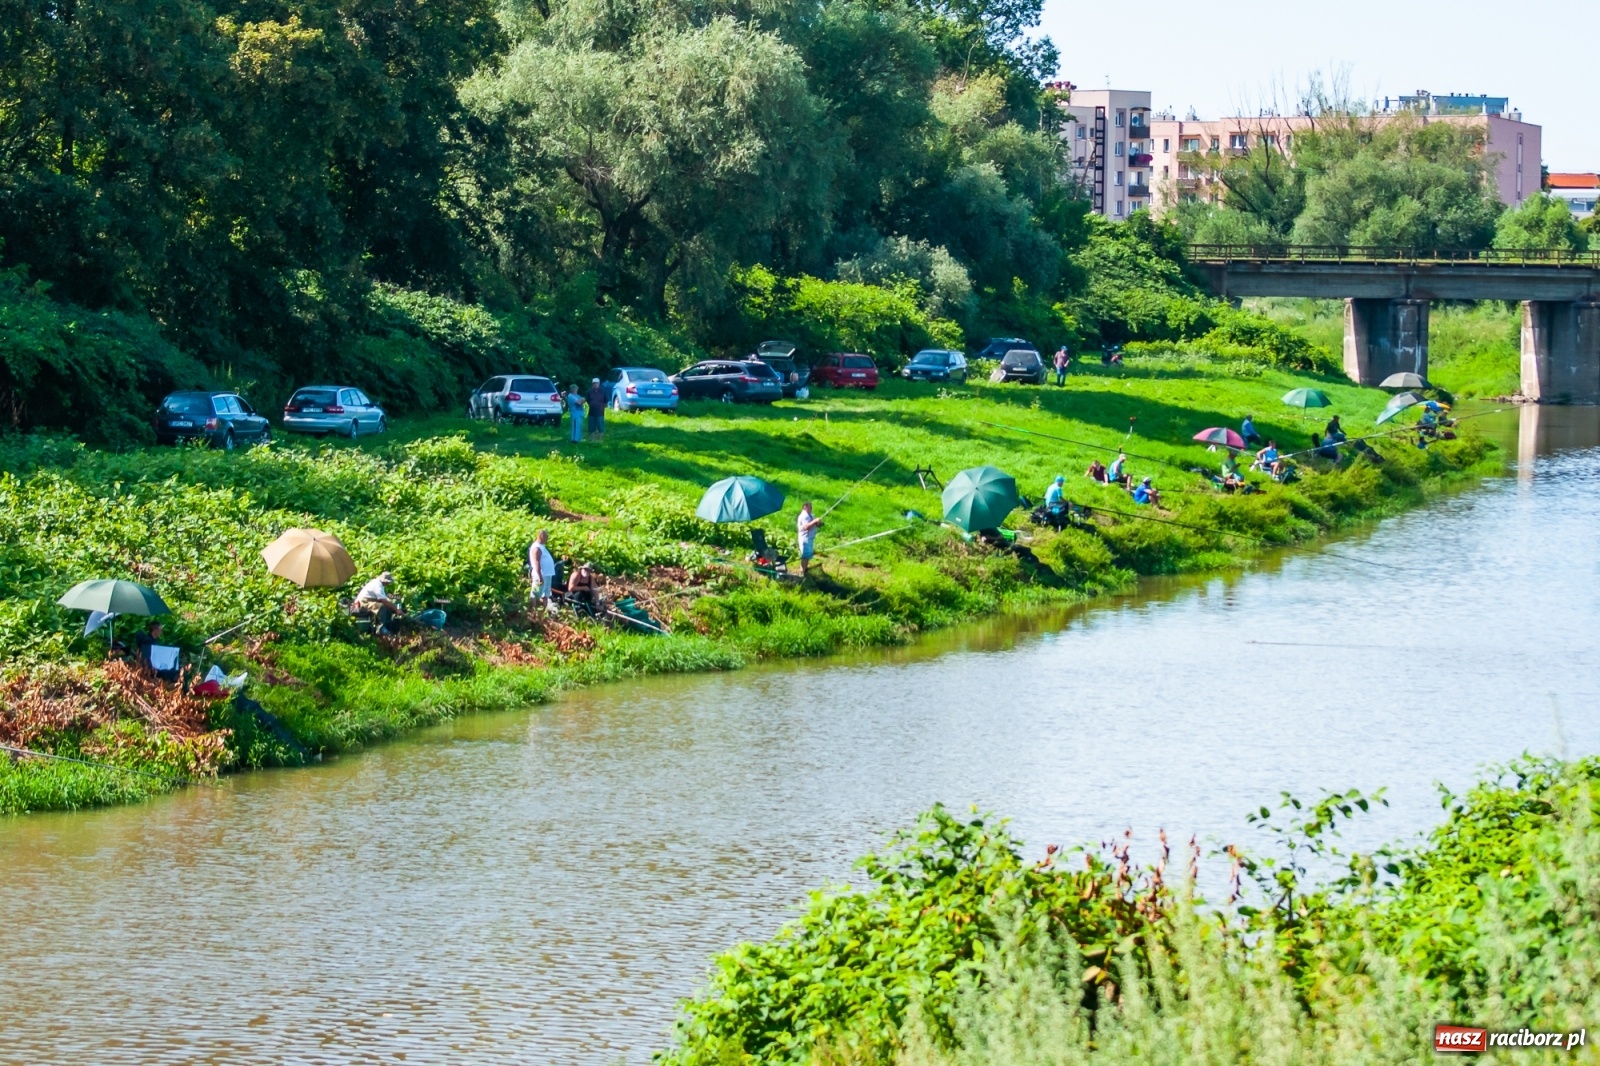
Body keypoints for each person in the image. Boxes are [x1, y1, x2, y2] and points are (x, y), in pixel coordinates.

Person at [528, 530, 557, 608]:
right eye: (546, 537)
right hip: (541, 574)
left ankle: (544, 613)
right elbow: (536, 562)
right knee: (535, 593)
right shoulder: (536, 548)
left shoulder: (542, 546)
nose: (547, 539)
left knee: (546, 594)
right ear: (541, 536)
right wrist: (540, 576)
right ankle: (533, 610)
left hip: (547, 574)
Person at [797, 500, 822, 577]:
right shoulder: (804, 516)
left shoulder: (811, 515)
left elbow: (816, 525)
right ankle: (802, 571)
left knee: (807, 556)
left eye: (811, 507)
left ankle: (804, 570)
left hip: (810, 538)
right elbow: (806, 527)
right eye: (809, 507)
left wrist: (818, 523)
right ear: (804, 507)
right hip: (805, 538)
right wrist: (814, 521)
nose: (810, 508)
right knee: (805, 555)